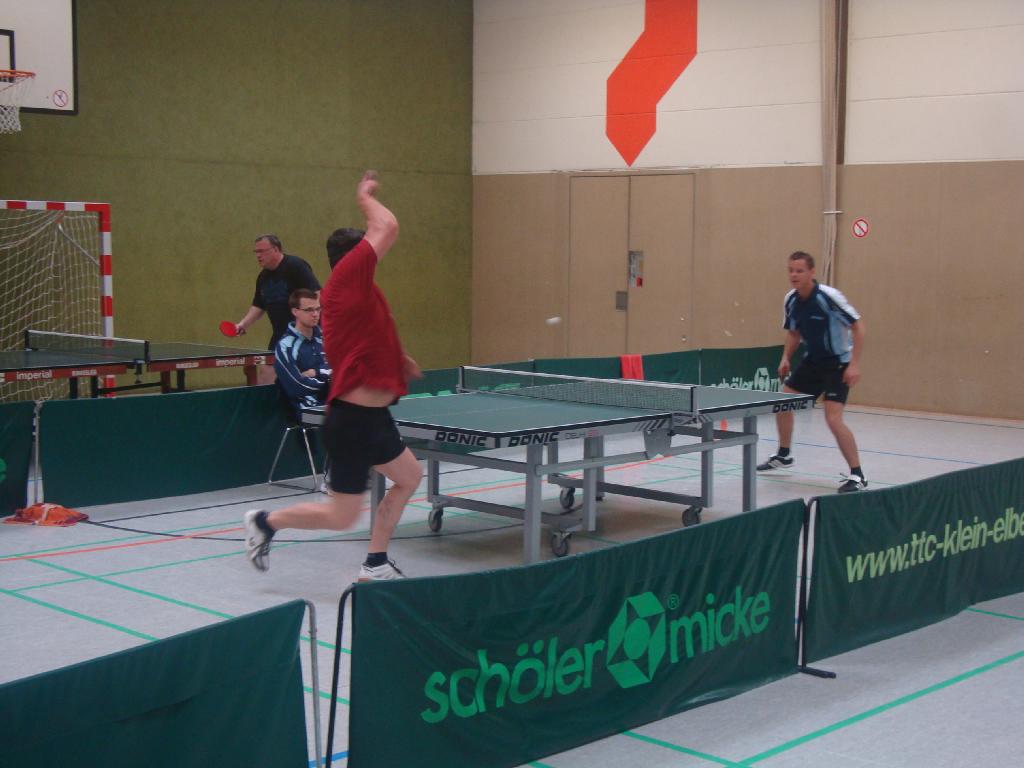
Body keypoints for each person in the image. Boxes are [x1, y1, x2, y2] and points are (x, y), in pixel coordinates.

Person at [244, 171, 423, 581]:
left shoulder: (362, 292)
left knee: (410, 477)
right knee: (342, 516)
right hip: (352, 421)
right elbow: (388, 225)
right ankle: (265, 522)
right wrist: (365, 196)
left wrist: (399, 360)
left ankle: (375, 562)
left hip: (375, 417)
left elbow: (370, 334)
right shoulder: (345, 280)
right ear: (357, 253)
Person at [757, 251, 867, 493]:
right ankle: (784, 454)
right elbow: (794, 332)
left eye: (799, 271)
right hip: (812, 362)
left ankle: (858, 475)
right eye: (791, 270)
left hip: (838, 364)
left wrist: (854, 364)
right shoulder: (791, 300)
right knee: (783, 402)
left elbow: (858, 326)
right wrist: (785, 357)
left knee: (833, 418)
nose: (794, 275)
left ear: (811, 272)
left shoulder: (828, 297)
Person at [233, 234, 321, 384]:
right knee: (266, 372)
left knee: (304, 374)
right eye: (256, 252)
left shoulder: (296, 266)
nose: (258, 255)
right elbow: (259, 305)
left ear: (275, 249)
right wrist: (242, 324)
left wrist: (311, 323)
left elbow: (316, 294)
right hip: (280, 334)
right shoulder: (263, 277)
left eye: (261, 251)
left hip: (303, 334)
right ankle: (267, 400)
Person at [273, 288, 330, 417]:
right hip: (306, 412)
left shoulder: (326, 338)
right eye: (309, 310)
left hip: (334, 403)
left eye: (318, 309)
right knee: (345, 421)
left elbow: (342, 368)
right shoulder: (285, 346)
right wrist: (328, 383)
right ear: (295, 312)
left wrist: (316, 372)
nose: (315, 314)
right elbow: (296, 386)